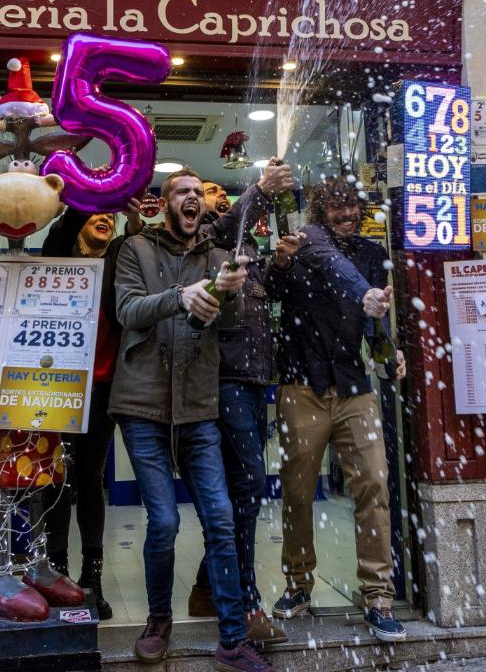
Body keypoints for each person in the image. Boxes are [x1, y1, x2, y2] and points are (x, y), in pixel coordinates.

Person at [111, 165, 286, 672]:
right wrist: (179, 296)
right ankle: (158, 619)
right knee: (163, 522)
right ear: (166, 203)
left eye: (198, 194)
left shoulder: (218, 255)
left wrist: (227, 292)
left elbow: (223, 322)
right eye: (182, 192)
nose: (193, 199)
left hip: (199, 404)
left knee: (221, 520)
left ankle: (232, 640)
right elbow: (127, 310)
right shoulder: (135, 250)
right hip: (141, 404)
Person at [269, 175, 407, 642]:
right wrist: (282, 263)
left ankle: (379, 596)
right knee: (298, 492)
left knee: (374, 485)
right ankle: (298, 583)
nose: (348, 216)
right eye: (338, 209)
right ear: (321, 213)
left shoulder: (370, 254)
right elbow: (277, 288)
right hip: (301, 388)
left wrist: (389, 350)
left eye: (354, 208)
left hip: (355, 390)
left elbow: (376, 319)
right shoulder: (306, 245)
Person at [187, 179, 300, 647]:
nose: (216, 196)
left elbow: (270, 299)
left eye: (220, 191)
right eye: (209, 190)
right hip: (227, 382)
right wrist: (255, 188)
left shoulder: (248, 246)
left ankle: (206, 591)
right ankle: (247, 602)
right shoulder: (209, 239)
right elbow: (228, 223)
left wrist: (282, 261)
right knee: (250, 485)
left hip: (257, 383)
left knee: (237, 495)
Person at [40, 199, 143, 620]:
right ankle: (58, 575)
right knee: (57, 480)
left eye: (110, 215)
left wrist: (133, 217)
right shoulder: (60, 253)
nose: (104, 218)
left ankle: (93, 580)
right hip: (58, 388)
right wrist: (81, 198)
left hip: (102, 390)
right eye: (94, 213)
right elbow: (61, 232)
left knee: (89, 480)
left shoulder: (118, 260)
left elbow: (131, 242)